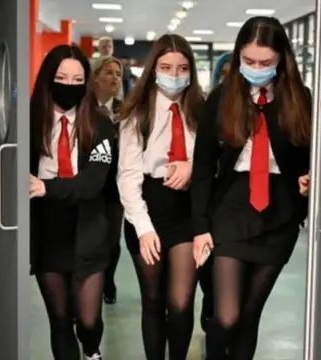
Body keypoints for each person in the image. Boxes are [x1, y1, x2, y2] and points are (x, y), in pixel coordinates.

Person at [190, 16, 312, 359]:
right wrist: (200, 229)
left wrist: (308, 178)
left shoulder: (300, 99)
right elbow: (202, 170)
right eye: (248, 61)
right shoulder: (221, 99)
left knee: (249, 317)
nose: (256, 68)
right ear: (238, 57)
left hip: (280, 214)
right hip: (230, 209)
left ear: (282, 60)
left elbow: (309, 158)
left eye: (266, 63)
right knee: (226, 316)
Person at [116, 34, 205, 360]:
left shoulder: (201, 109)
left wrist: (193, 166)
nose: (174, 74)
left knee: (181, 301)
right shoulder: (137, 112)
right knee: (153, 299)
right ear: (153, 69)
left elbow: (215, 160)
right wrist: (143, 228)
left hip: (186, 211)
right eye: (166, 67)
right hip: (146, 209)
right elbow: (127, 178)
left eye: (182, 68)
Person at [28, 44, 115, 360]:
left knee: (89, 321)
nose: (69, 85)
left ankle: (92, 351)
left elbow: (93, 182)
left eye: (77, 79)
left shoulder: (101, 126)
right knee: (60, 320)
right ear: (49, 78)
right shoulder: (28, 122)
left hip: (88, 229)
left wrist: (45, 188)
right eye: (62, 77)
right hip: (47, 233)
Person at [198, 51, 234, 334]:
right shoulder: (210, 108)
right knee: (209, 280)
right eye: (223, 76)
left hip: (228, 211)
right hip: (203, 208)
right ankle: (210, 318)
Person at [91, 56, 124, 304]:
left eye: (118, 74)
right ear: (95, 77)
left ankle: (108, 280)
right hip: (90, 183)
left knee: (112, 239)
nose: (114, 78)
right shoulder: (85, 109)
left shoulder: (125, 109)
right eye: (109, 72)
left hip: (115, 185)